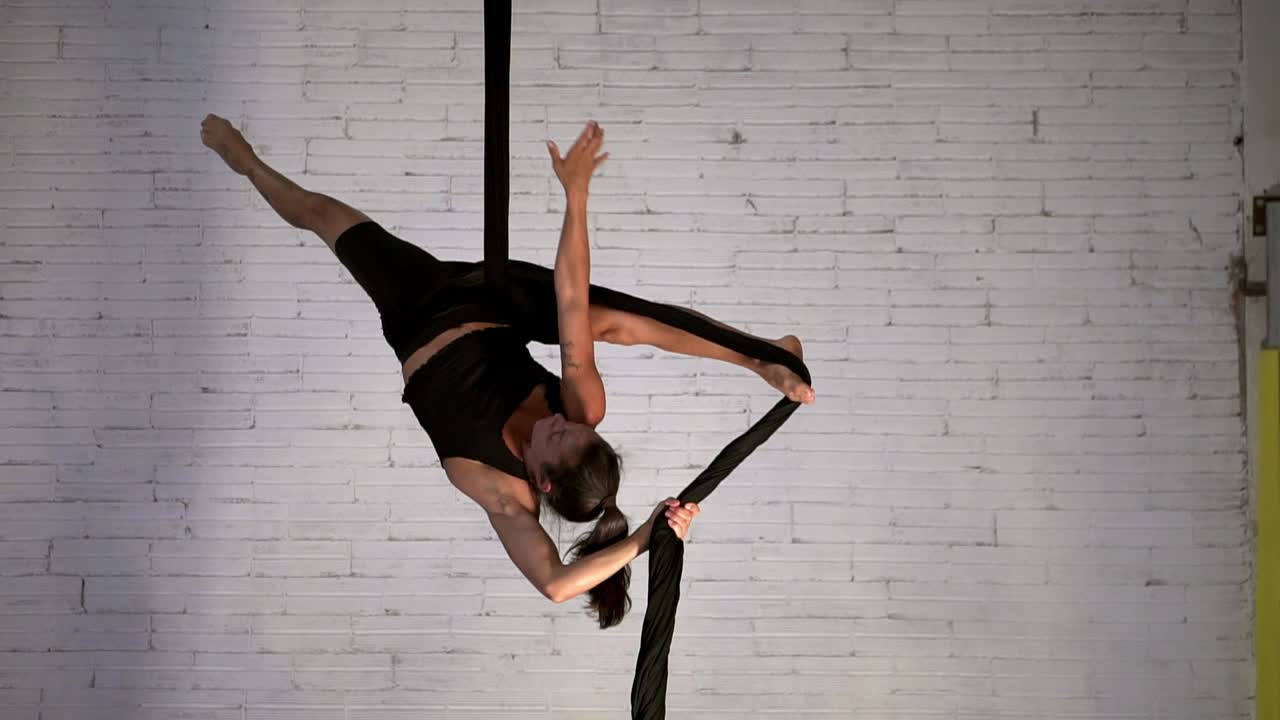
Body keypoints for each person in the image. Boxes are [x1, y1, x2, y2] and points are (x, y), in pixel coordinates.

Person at [199, 114, 814, 628]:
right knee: (607, 320)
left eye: (556, 438)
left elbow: (555, 584)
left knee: (320, 214)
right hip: (492, 301)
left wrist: (645, 537)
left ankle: (246, 164)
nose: (557, 420)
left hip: (416, 311)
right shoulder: (580, 412)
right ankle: (756, 354)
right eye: (576, 429)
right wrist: (576, 197)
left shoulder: (501, 491)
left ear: (541, 480)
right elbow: (570, 302)